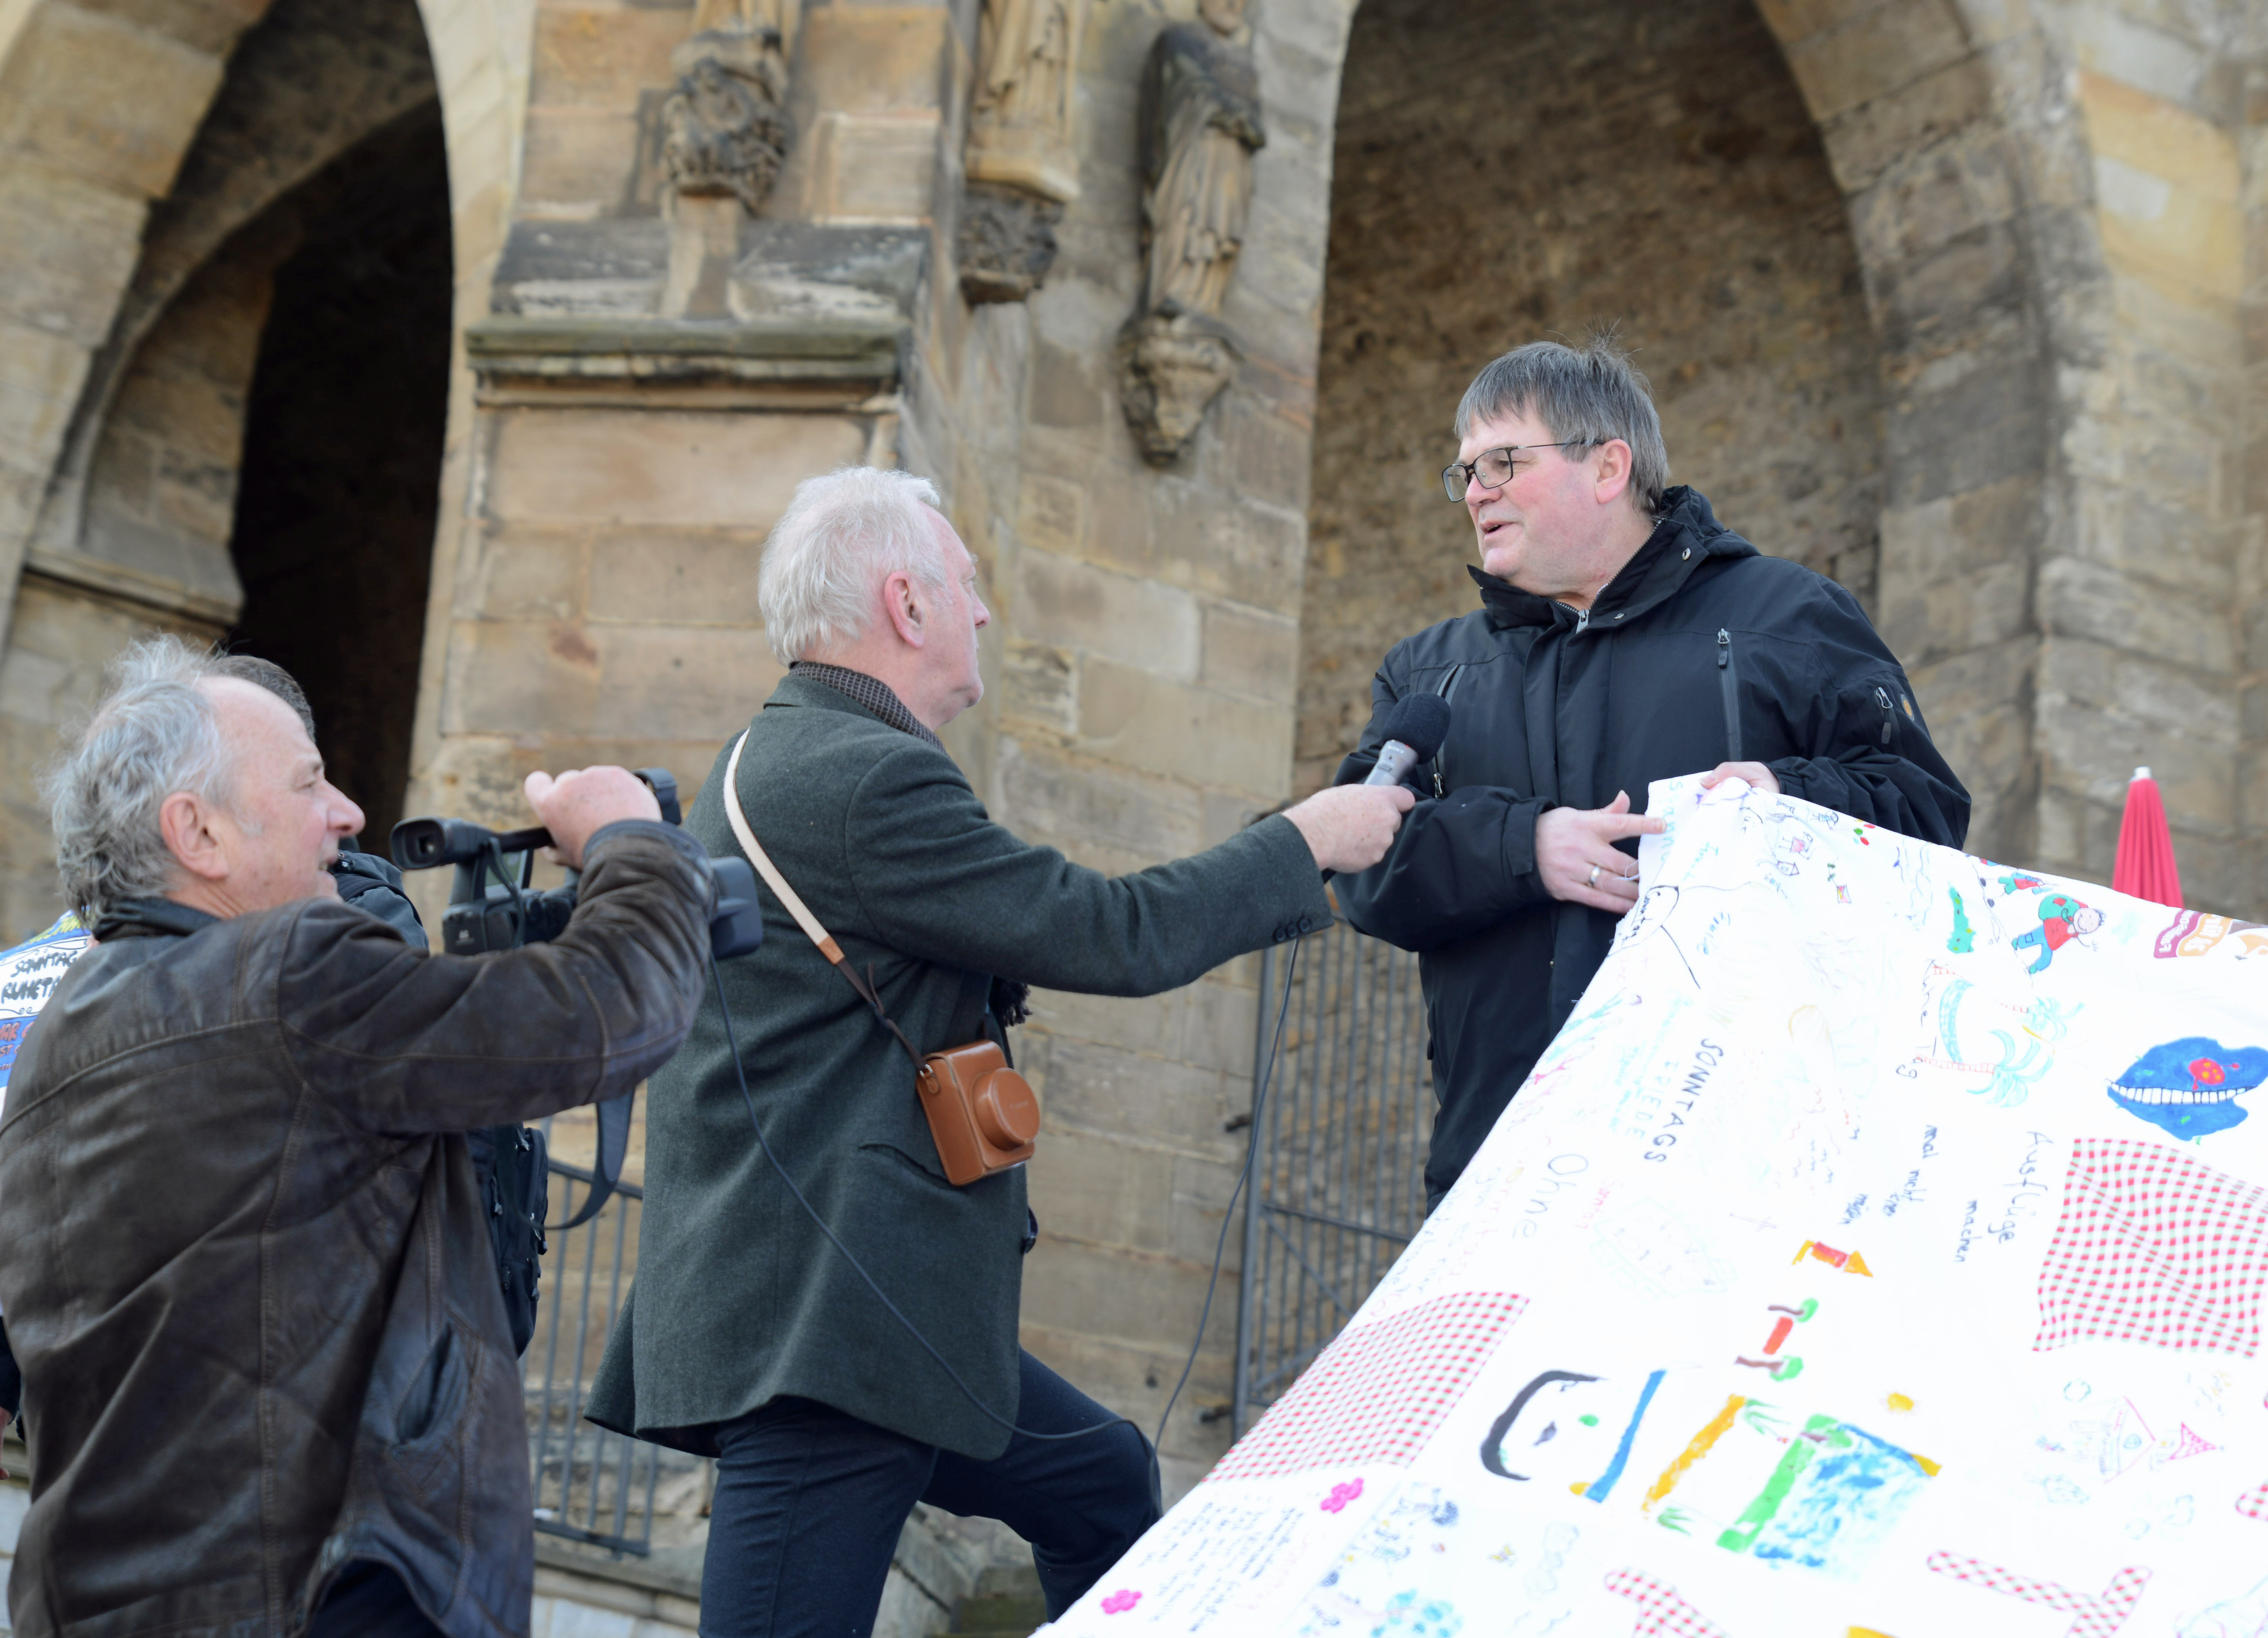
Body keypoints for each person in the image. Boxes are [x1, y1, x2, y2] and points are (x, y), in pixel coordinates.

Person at [585, 465, 1412, 1637]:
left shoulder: (773, 753)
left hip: (857, 1307)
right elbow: (1106, 931)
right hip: (828, 1331)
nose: (982, 611)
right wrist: (1303, 840)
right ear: (905, 605)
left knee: (1102, 1477)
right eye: (964, 585)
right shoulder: (864, 778)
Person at [0, 638, 720, 1638]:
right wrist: (632, 845)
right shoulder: (283, 977)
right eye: (308, 782)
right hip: (315, 1591)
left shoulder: (52, 1045)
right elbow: (611, 1012)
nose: (347, 812)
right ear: (197, 832)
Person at [1334, 336, 1970, 1209]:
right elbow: (1358, 865)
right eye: (1465, 473)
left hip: (1740, 1167)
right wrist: (1525, 847)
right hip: (1497, 1165)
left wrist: (1786, 800)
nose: (1475, 491)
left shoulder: (1788, 618)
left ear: (1607, 467)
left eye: (1503, 462)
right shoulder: (1428, 672)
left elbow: (1926, 817)